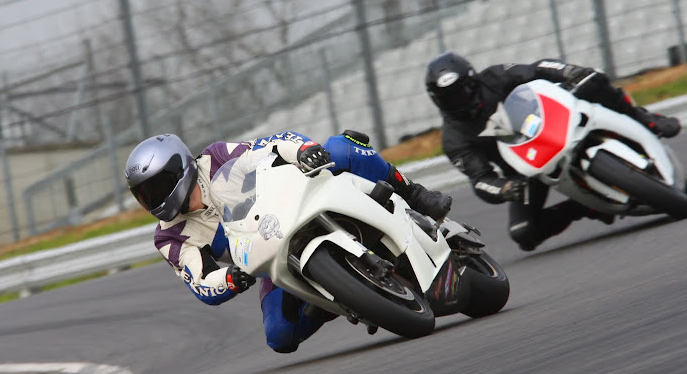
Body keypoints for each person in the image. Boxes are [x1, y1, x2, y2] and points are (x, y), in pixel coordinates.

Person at [124, 130, 451, 353]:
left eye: (157, 186)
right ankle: (344, 296)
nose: (152, 199)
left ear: (179, 168)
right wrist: (229, 279)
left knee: (340, 146)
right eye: (144, 194)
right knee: (279, 334)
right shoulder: (169, 236)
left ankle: (415, 194)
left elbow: (269, 145)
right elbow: (200, 281)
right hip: (272, 258)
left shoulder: (217, 159)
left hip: (299, 200)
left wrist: (304, 151)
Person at [424, 51, 682, 251]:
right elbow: (481, 181)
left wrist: (569, 71)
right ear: (438, 101)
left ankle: (645, 118)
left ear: (473, 79)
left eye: (463, 91)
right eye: (451, 98)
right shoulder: (454, 140)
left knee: (593, 80)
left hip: (554, 122)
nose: (460, 100)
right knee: (523, 233)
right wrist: (505, 188)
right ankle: (586, 207)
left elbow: (538, 68)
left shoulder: (495, 76)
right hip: (526, 169)